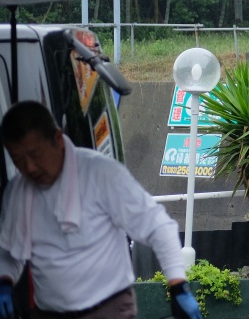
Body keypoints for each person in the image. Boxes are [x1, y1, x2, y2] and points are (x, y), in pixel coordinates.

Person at [0, 101, 203, 319]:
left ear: (58, 140)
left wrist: (178, 286)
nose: (29, 167)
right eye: (18, 160)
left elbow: (157, 226)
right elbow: (9, 251)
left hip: (108, 309)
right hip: (48, 312)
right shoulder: (18, 191)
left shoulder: (101, 174)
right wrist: (3, 282)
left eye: (35, 154)